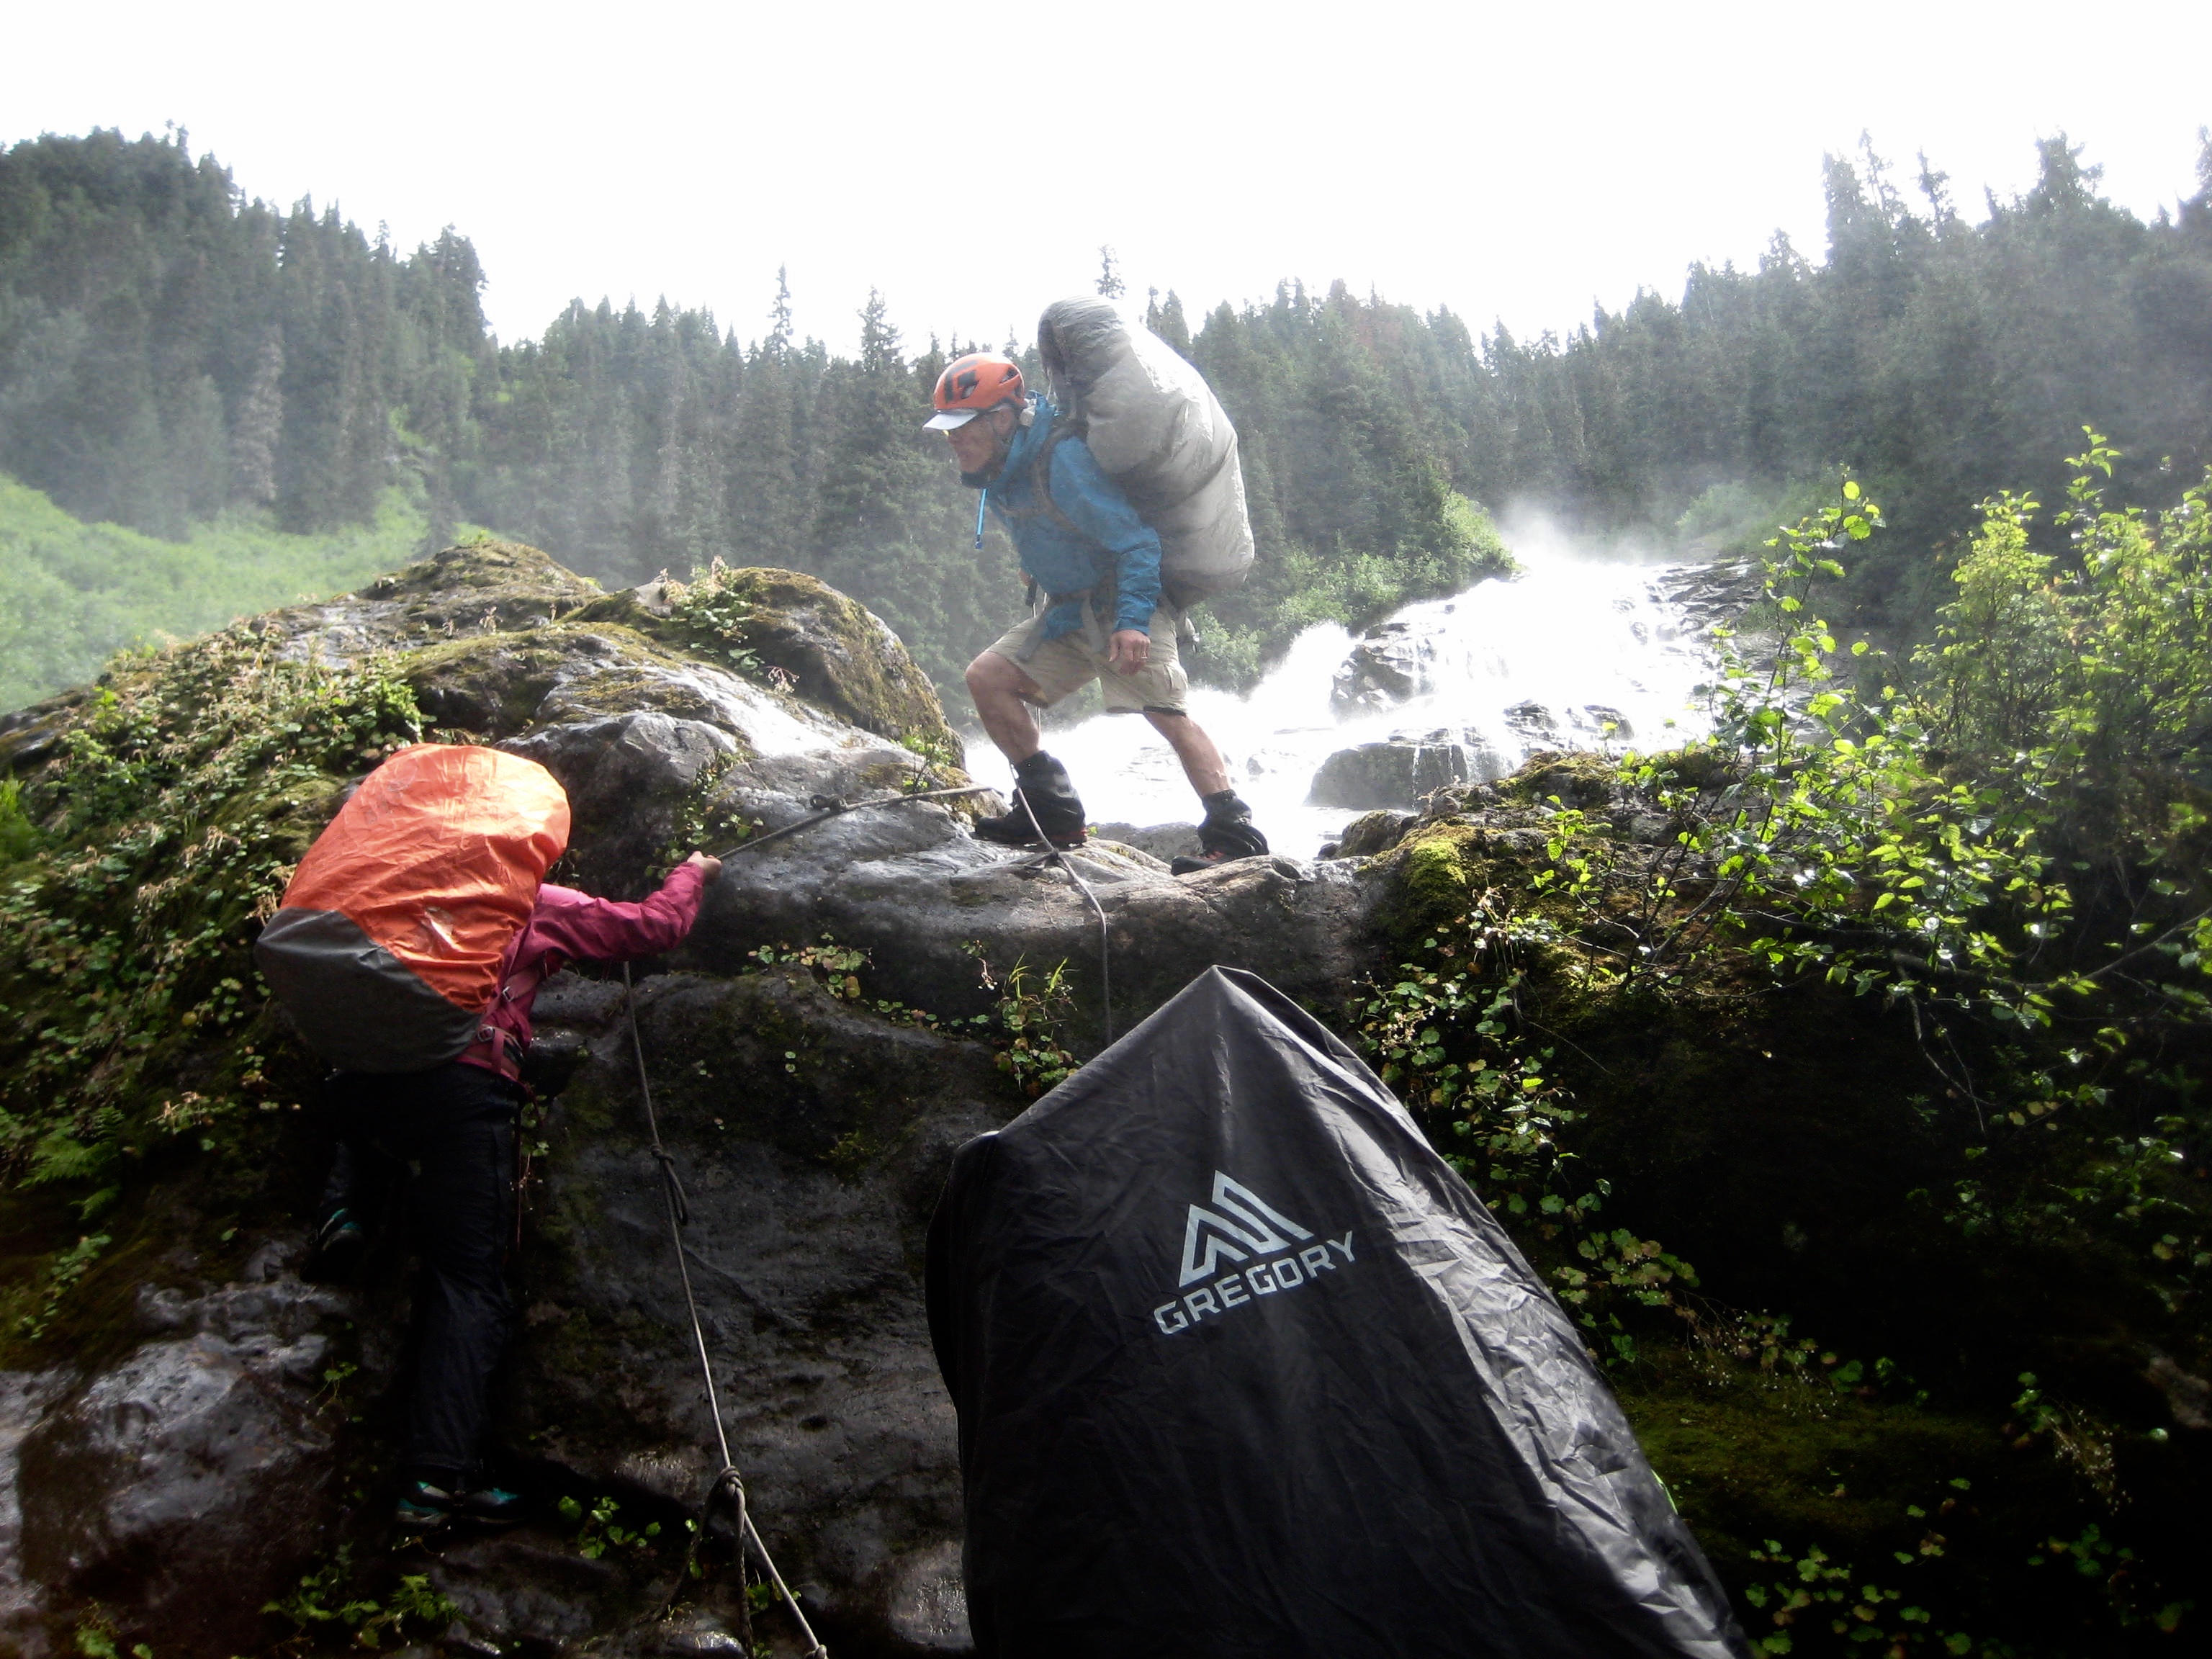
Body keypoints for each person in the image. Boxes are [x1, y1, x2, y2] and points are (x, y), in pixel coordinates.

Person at [308, 850, 722, 1533]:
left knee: (370, 1084)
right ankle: (438, 1479)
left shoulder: (397, 894)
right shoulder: (528, 902)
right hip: (463, 1088)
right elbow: (653, 927)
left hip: (367, 1084)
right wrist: (694, 873)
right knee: (469, 1282)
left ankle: (343, 1205)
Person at [927, 351, 1269, 873]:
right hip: (1068, 612)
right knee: (988, 678)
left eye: (962, 425)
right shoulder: (1000, 470)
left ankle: (1236, 834)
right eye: (948, 427)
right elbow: (1054, 530)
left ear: (1000, 418)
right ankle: (1052, 811)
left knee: (1167, 715)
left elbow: (1136, 544)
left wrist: (1133, 622)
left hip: (1124, 603)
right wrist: (1038, 571)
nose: (954, 439)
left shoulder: (1061, 459)